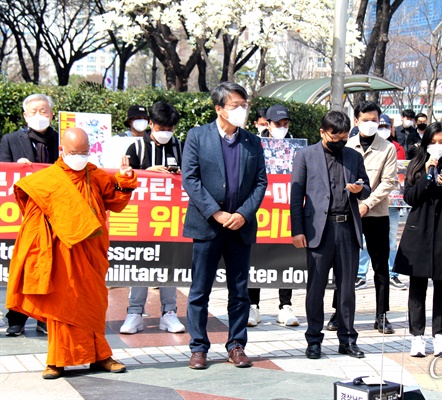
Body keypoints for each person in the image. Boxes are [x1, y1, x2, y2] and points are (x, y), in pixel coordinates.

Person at [6, 127, 137, 379]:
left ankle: (100, 356)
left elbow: (116, 201)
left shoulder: (95, 175)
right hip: (61, 254)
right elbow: (33, 223)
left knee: (93, 304)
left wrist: (126, 178)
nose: (80, 156)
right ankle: (57, 360)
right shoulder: (45, 181)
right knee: (62, 306)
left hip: (91, 252)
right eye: (75, 152)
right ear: (62, 150)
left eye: (85, 152)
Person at [182, 82, 267, 370]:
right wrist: (216, 213)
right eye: (235, 106)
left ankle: (236, 345)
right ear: (219, 109)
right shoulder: (197, 136)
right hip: (208, 226)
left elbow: (260, 183)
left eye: (244, 106)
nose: (242, 111)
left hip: (240, 227)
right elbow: (190, 180)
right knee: (199, 290)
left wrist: (243, 213)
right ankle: (198, 347)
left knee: (239, 291)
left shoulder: (253, 142)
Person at [290, 110, 370, 360]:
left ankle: (347, 339)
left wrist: (359, 189)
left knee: (347, 289)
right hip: (318, 231)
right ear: (322, 132)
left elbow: (366, 187)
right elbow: (296, 196)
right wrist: (297, 229)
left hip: (347, 227)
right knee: (316, 288)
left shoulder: (353, 156)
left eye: (345, 138)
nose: (340, 142)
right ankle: (313, 340)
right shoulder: (305, 156)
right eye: (335, 138)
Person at [394, 122, 442, 357]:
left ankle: (440, 336)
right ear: (426, 143)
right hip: (419, 232)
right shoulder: (416, 166)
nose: (438, 146)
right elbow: (410, 198)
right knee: (417, 286)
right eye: (433, 142)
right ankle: (417, 337)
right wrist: (427, 175)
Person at [327, 102, 397, 335]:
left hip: (376, 212)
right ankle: (339, 312)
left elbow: (389, 182)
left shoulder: (387, 148)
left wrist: (367, 203)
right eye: (365, 119)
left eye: (374, 120)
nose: (370, 124)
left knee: (380, 265)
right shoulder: (346, 144)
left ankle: (382, 314)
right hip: (348, 212)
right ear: (356, 121)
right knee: (345, 265)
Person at [120, 101, 185, 334]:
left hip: (170, 218)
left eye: (170, 128)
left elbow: (192, 175)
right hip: (142, 219)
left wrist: (178, 174)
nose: (166, 132)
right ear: (151, 124)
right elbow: (124, 178)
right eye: (161, 127)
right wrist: (147, 173)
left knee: (169, 264)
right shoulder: (136, 148)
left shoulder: (181, 146)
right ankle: (135, 312)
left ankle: (169, 312)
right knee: (141, 264)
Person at [0, 93, 58, 336]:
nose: (39, 116)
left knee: (52, 268)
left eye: (44, 111)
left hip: (54, 214)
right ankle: (17, 317)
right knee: (23, 266)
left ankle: (46, 317)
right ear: (25, 115)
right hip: (23, 215)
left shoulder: (62, 140)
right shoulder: (11, 140)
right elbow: (3, 173)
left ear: (52, 114)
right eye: (33, 112)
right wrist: (18, 169)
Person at [248, 104, 297, 327]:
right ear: (266, 124)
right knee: (255, 256)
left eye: (286, 124)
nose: (282, 128)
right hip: (259, 208)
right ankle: (252, 306)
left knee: (285, 254)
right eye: (278, 124)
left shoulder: (295, 146)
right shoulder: (253, 145)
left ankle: (285, 306)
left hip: (284, 208)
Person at [378, 114, 408, 291]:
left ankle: (392, 273)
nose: (383, 129)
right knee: (366, 240)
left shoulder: (398, 148)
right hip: (372, 201)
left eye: (386, 127)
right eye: (380, 126)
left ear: (391, 129)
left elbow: (402, 173)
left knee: (391, 239)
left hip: (392, 201)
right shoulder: (370, 146)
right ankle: (360, 274)